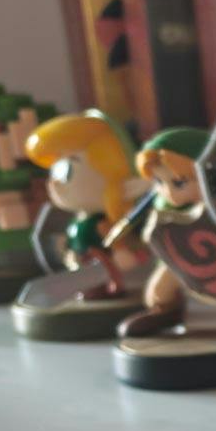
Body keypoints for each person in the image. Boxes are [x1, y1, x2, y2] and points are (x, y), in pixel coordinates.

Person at [113, 127, 216, 344]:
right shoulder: (161, 202)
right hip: (174, 258)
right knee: (159, 290)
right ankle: (166, 312)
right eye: (159, 182)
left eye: (179, 182)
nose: (168, 192)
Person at [23, 110, 146, 299]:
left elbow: (122, 254)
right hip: (83, 270)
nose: (54, 182)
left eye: (66, 170)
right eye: (55, 170)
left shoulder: (103, 224)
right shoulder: (78, 220)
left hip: (103, 269)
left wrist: (120, 253)